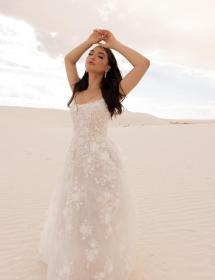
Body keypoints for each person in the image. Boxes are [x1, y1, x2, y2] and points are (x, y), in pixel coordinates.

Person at [37, 28, 150, 280]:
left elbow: (143, 64)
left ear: (108, 66)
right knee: (75, 210)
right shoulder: (77, 88)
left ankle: (100, 264)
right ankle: (75, 261)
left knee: (100, 212)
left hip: (101, 161)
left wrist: (114, 43)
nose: (92, 57)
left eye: (100, 56)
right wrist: (89, 40)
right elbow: (68, 59)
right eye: (91, 54)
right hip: (75, 159)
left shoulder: (114, 92)